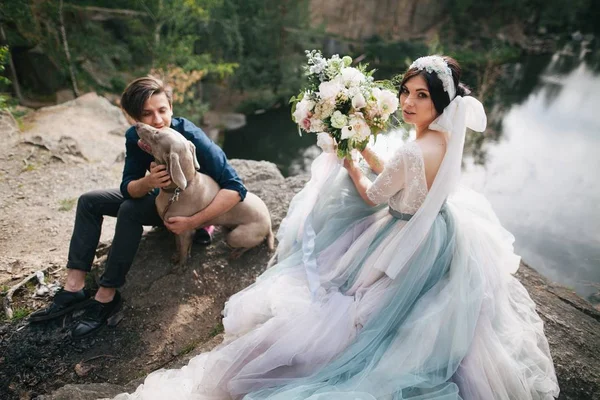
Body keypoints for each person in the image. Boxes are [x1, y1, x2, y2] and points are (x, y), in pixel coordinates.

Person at [113, 56, 559, 399]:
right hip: (441, 232)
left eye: (420, 96)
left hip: (402, 232)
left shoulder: (413, 149)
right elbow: (407, 177)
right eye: (406, 92)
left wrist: (349, 160)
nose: (407, 102)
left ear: (440, 101)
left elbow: (375, 195)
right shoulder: (441, 137)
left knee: (344, 298)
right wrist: (365, 149)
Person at [29, 76, 248, 339]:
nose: (157, 120)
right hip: (157, 197)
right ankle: (74, 286)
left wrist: (194, 221)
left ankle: (107, 295)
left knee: (130, 211)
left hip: (185, 210)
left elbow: (236, 188)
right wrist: (148, 182)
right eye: (147, 114)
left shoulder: (189, 136)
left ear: (171, 108)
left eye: (162, 110)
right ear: (133, 118)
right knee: (89, 201)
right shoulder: (137, 137)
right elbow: (127, 186)